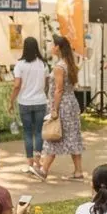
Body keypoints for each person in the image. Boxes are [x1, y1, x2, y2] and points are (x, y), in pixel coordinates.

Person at [38, 37, 84, 180]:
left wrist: (54, 110)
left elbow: (59, 89)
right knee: (73, 137)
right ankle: (78, 171)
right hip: (72, 104)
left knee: (53, 135)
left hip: (62, 105)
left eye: (53, 45)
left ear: (58, 47)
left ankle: (44, 169)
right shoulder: (70, 63)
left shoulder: (59, 67)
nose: (51, 47)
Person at [11, 35, 48, 176]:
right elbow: (46, 84)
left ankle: (29, 163)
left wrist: (11, 101)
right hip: (40, 101)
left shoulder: (20, 65)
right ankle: (38, 162)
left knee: (27, 132)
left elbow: (16, 86)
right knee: (39, 132)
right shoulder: (43, 64)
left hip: (24, 102)